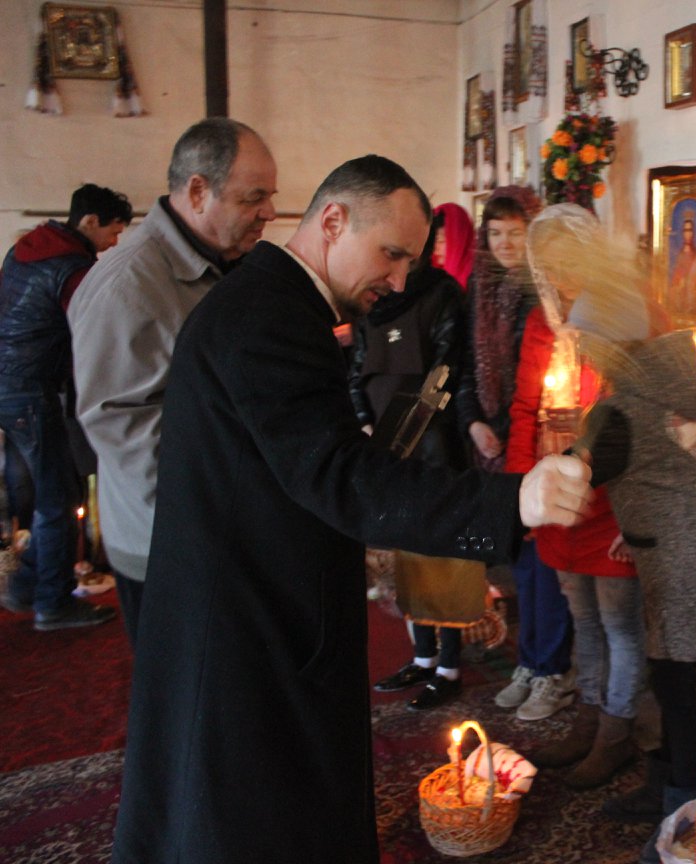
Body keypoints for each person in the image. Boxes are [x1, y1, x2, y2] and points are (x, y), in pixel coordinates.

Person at [110, 155, 593, 864]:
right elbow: (337, 476)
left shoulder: (276, 302)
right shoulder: (269, 315)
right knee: (248, 817)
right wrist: (514, 497)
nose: (398, 280)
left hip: (251, 594)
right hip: (248, 620)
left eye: (410, 262)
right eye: (391, 254)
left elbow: (299, 453)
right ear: (333, 220)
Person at [562, 236, 696, 864]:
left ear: (606, 344)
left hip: (684, 562)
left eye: (583, 340)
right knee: (672, 681)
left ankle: (680, 818)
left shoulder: (618, 408)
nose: (577, 350)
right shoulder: (671, 380)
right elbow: (679, 468)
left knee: (675, 690)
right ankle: (669, 788)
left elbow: (573, 482)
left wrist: (561, 460)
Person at [68, 118, 278, 648]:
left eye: (270, 197)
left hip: (227, 529)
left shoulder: (225, 265)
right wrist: (231, 503)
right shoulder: (129, 283)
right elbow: (123, 428)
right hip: (176, 544)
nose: (269, 213)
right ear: (198, 190)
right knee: (191, 710)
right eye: (254, 198)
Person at [507, 204, 644, 787]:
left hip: (609, 499)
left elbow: (638, 422)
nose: (561, 277)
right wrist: (519, 490)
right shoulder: (542, 322)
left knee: (619, 626)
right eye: (551, 265)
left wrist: (629, 515)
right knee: (583, 620)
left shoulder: (623, 317)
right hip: (555, 499)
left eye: (572, 262)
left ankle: (618, 733)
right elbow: (523, 408)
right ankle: (590, 717)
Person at [457, 186, 576, 720]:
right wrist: (475, 421)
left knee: (545, 558)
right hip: (495, 441)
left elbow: (545, 379)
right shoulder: (478, 288)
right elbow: (464, 365)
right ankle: (531, 660)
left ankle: (550, 666)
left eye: (515, 233)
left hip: (537, 434)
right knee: (521, 560)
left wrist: (518, 432)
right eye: (496, 233)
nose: (505, 243)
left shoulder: (542, 292)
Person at [354, 202, 475, 710]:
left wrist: (413, 426)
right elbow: (357, 362)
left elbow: (448, 367)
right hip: (381, 438)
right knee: (403, 550)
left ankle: (448, 666)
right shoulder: (375, 291)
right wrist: (361, 416)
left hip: (432, 440)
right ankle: (421, 657)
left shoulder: (443, 293)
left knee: (439, 553)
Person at [0, 183, 132, 629]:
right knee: (60, 498)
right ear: (89, 222)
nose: (113, 244)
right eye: (112, 233)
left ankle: (24, 587)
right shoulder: (73, 269)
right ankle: (53, 603)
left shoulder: (25, 248)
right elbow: (94, 332)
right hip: (32, 390)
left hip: (8, 384)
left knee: (43, 494)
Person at [668, 215, 696, 318]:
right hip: (681, 302)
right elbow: (675, 281)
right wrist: (679, 285)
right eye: (685, 230)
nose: (688, 234)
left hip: (694, 302)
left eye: (690, 230)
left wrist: (692, 289)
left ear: (694, 232)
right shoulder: (680, 255)